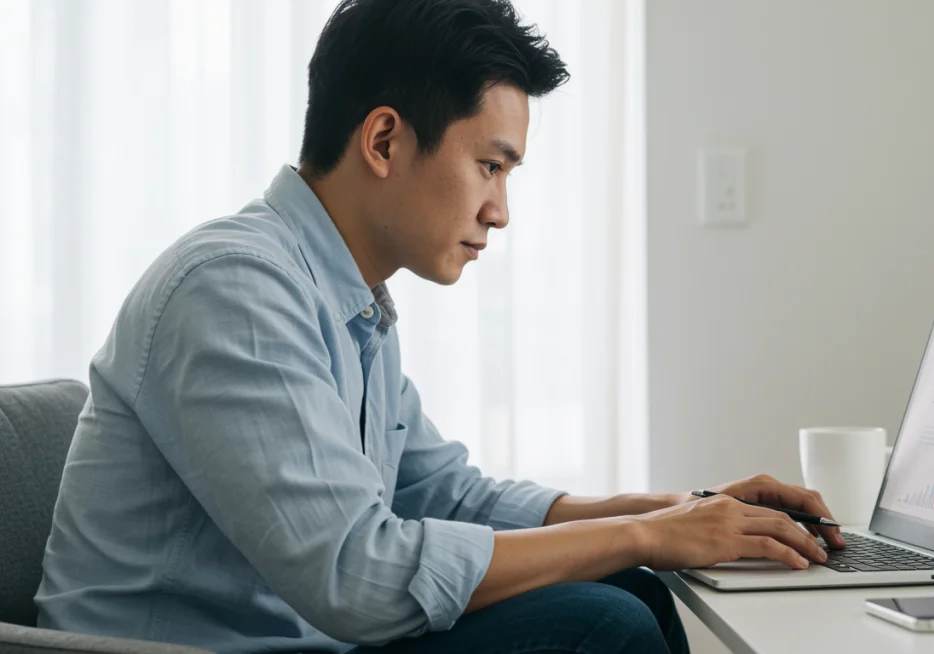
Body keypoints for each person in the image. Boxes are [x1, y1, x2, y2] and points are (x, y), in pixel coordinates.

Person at [35, 1, 843, 652]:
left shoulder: (349, 301)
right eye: (489, 165)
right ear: (384, 139)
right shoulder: (235, 289)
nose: (499, 210)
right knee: (606, 618)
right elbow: (357, 575)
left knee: (620, 590)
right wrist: (646, 534)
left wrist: (680, 511)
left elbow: (449, 494)